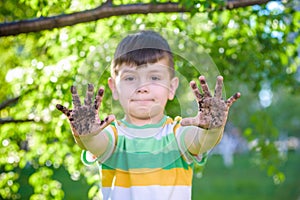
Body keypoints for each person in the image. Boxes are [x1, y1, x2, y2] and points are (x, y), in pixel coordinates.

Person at [56, 30, 240, 200]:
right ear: (114, 88)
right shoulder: (114, 135)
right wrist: (86, 133)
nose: (141, 88)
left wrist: (213, 128)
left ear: (172, 86)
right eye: (130, 78)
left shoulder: (177, 134)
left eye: (154, 77)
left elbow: (201, 141)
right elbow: (95, 143)